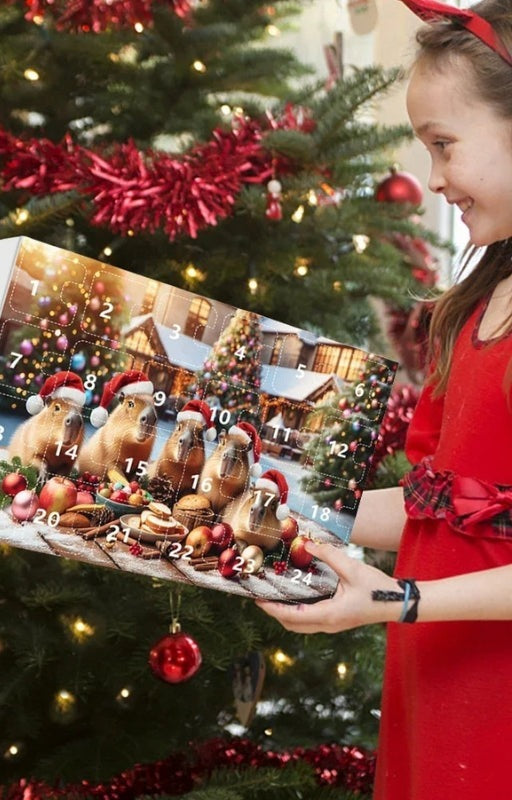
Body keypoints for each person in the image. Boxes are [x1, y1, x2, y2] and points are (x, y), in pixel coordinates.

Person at [257, 2, 512, 798]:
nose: (431, 178)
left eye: (444, 144)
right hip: (435, 694)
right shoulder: (474, 307)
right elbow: (439, 506)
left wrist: (401, 599)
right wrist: (281, 502)